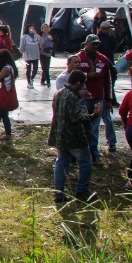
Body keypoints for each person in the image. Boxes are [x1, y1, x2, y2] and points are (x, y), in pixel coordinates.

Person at [50, 70, 101, 204]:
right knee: (86, 162)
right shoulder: (72, 97)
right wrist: (94, 115)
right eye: (82, 84)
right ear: (78, 83)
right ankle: (81, 190)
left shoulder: (58, 93)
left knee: (61, 163)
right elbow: (76, 118)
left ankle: (59, 194)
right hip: (73, 137)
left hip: (60, 135)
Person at [79, 34, 116, 157]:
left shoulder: (103, 59)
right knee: (82, 124)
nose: (95, 46)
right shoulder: (79, 58)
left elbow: (108, 80)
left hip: (98, 97)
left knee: (95, 125)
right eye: (93, 44)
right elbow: (72, 75)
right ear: (86, 44)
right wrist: (88, 75)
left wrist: (109, 99)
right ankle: (82, 149)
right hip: (83, 97)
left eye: (97, 44)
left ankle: (93, 149)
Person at [19, 24, 41, 89]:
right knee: (28, 69)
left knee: (35, 68)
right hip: (28, 55)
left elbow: (42, 41)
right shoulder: (24, 36)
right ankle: (28, 82)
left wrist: (36, 34)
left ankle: (32, 78)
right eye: (30, 28)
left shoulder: (36, 36)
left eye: (33, 28)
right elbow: (22, 45)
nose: (32, 29)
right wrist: (21, 50)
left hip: (35, 55)